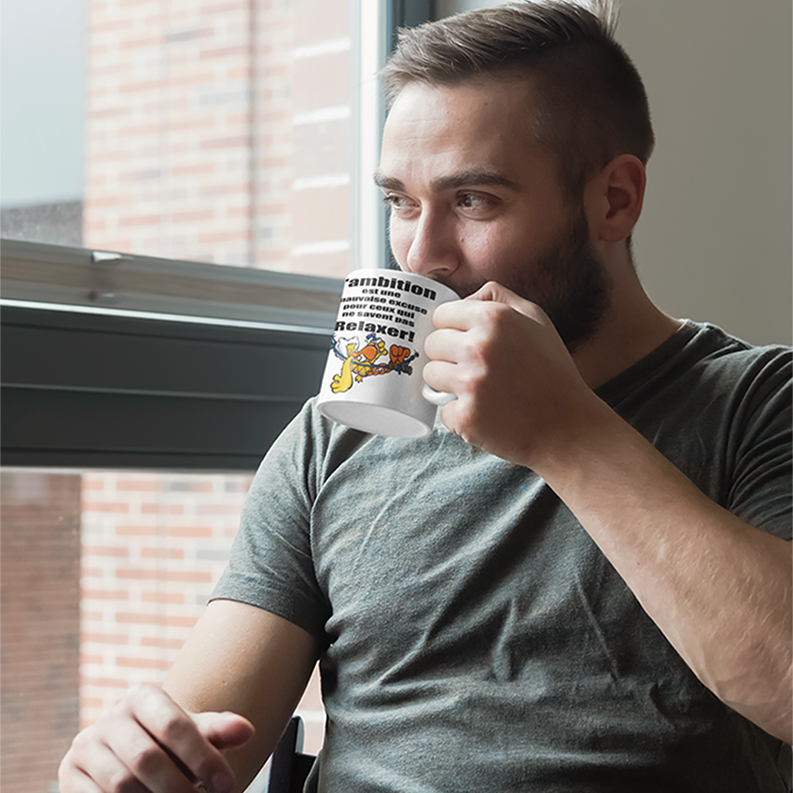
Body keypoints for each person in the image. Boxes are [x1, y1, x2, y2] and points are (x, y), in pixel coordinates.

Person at [59, 1, 792, 791]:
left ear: (614, 199)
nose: (420, 252)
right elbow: (199, 747)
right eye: (400, 202)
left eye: (473, 200)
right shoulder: (330, 439)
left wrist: (567, 435)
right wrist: (125, 766)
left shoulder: (758, 402)